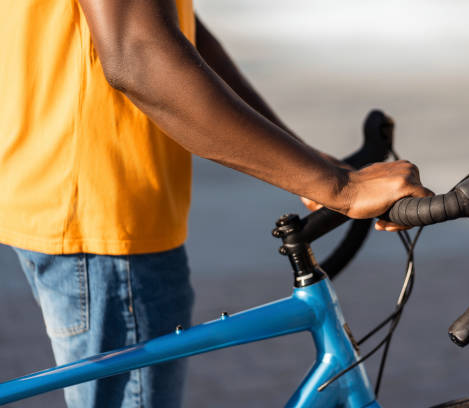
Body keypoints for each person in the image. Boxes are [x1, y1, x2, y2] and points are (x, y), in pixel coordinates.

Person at [0, 0, 432, 407]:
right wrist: (342, 188)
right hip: (105, 212)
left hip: (57, 186)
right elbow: (138, 54)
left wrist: (303, 161)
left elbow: (176, 30)